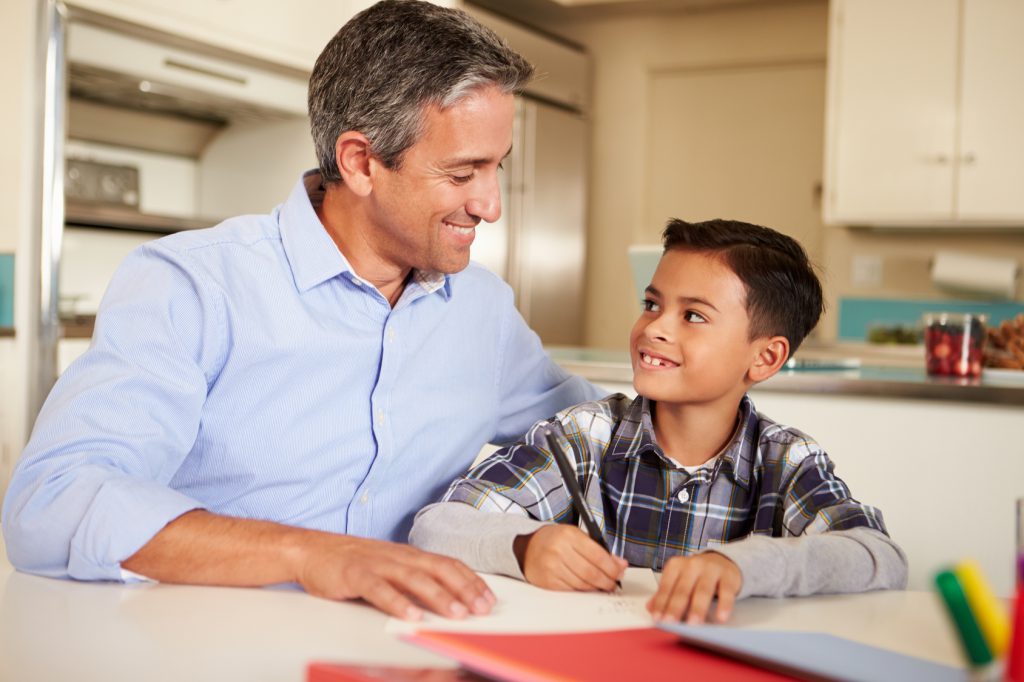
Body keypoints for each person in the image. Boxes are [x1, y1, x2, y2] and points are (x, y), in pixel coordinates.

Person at [1, 0, 603, 621]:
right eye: (462, 173)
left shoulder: (483, 309)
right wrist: (310, 554)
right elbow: (51, 503)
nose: (491, 205)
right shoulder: (194, 286)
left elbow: (607, 438)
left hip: (406, 650)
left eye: (496, 167)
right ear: (360, 162)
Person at [411, 218, 908, 623]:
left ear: (765, 358)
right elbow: (437, 526)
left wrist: (747, 565)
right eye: (652, 304)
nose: (655, 328)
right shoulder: (586, 436)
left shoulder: (785, 460)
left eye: (693, 316)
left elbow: (879, 556)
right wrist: (523, 546)